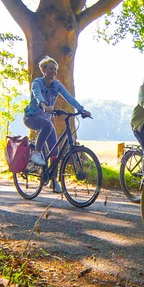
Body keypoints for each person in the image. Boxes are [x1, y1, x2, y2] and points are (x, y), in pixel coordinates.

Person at [23, 57, 91, 191]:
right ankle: (36, 152)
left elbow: (69, 97)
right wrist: (43, 105)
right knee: (47, 125)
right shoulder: (37, 82)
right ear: (43, 70)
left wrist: (81, 110)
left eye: (55, 69)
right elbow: (37, 95)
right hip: (31, 117)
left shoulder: (57, 85)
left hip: (46, 120)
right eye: (50, 69)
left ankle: (53, 180)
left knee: (55, 151)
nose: (53, 72)